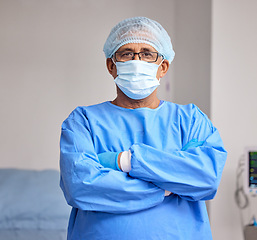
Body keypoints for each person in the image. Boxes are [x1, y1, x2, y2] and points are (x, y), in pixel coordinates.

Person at [60, 16, 227, 240]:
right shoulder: (83, 121)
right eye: (126, 53)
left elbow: (206, 177)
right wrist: (169, 186)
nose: (137, 60)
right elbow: (81, 185)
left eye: (147, 54)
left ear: (163, 66)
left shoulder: (190, 120)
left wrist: (124, 162)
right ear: (112, 65)